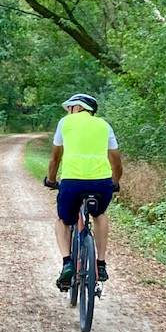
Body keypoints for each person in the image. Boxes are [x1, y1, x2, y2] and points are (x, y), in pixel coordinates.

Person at [44, 93, 122, 289]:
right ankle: (101, 263)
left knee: (63, 221)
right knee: (100, 214)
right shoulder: (104, 126)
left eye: (69, 107)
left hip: (72, 182)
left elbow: (55, 159)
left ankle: (67, 263)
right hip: (101, 183)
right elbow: (116, 161)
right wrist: (115, 182)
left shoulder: (65, 123)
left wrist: (51, 180)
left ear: (76, 107)